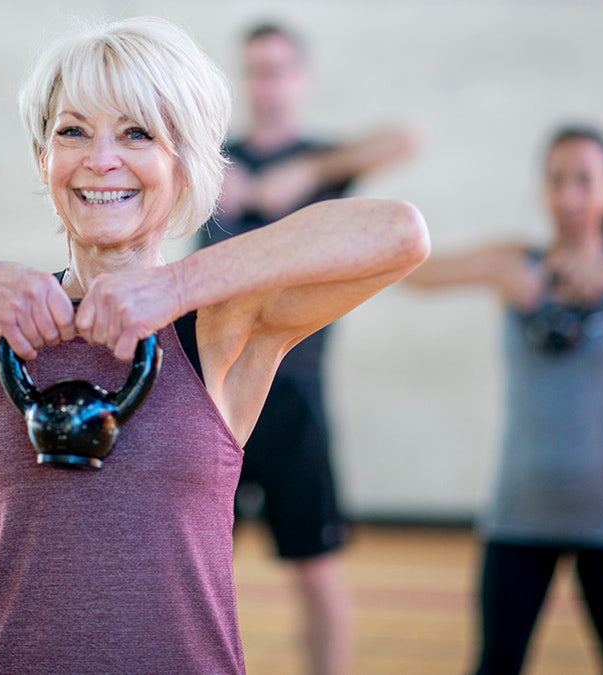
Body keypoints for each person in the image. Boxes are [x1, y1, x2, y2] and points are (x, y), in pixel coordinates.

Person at [0, 16, 429, 674]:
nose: (101, 161)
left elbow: (399, 232)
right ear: (46, 159)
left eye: (136, 134)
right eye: (74, 131)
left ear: (181, 162)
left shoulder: (220, 327)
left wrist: (178, 284)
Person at [402, 125, 603, 675]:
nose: (570, 196)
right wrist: (503, 274)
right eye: (558, 180)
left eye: (585, 181)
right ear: (543, 189)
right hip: (519, 515)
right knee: (495, 664)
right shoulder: (515, 260)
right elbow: (417, 273)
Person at [194, 21, 419, 675]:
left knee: (317, 573)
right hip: (210, 399)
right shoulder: (212, 163)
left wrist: (305, 171)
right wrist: (209, 176)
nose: (268, 84)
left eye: (279, 70)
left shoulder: (323, 164)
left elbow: (405, 137)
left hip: (295, 399)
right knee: (197, 569)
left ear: (301, 79)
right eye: (256, 70)